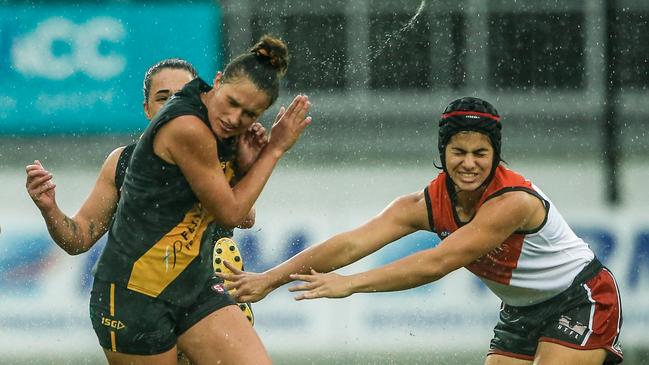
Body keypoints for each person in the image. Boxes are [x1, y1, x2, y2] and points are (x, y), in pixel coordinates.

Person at [220, 97, 623, 365]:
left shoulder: (511, 202)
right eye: (458, 152)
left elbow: (437, 263)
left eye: (481, 153)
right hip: (520, 309)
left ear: (495, 155)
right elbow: (352, 242)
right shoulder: (424, 204)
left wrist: (351, 284)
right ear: (442, 152)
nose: (469, 164)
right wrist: (269, 279)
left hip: (580, 298)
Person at [25, 58, 262, 365]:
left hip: (200, 295)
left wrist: (244, 168)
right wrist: (49, 208)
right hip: (138, 299)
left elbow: (246, 217)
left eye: (183, 96)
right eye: (163, 98)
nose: (174, 105)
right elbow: (79, 238)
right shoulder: (121, 161)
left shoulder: (218, 153)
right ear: (147, 109)